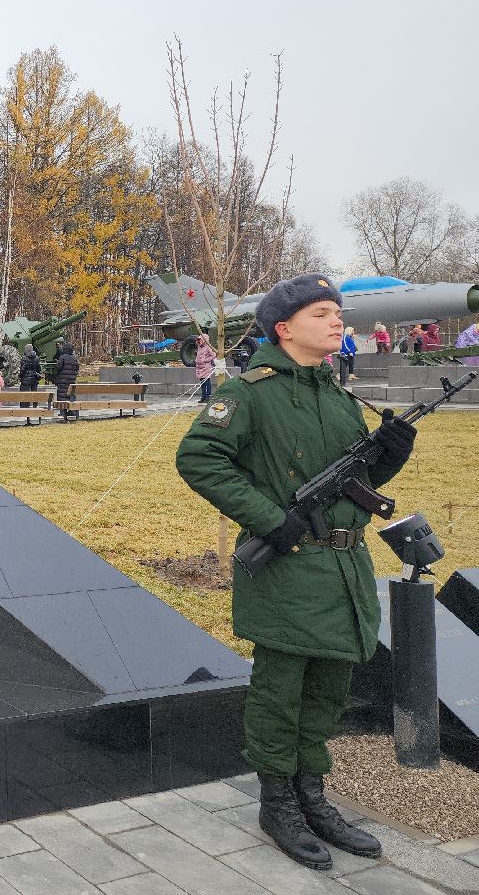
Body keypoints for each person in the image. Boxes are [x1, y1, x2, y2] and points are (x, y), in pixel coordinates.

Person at [176, 273, 416, 871]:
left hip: (343, 565)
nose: (338, 321)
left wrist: (387, 459)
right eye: (322, 314)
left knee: (329, 689)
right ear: (284, 329)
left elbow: (350, 489)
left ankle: (313, 793)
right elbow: (199, 458)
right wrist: (268, 518)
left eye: (338, 312)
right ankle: (277, 801)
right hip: (288, 566)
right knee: (281, 691)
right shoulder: (250, 393)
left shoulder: (336, 394)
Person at [194, 334, 217, 404]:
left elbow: (213, 355)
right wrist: (197, 360)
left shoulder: (208, 347)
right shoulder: (199, 347)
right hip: (200, 367)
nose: (199, 341)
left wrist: (205, 360)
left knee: (207, 382)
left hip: (206, 367)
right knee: (202, 383)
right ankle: (203, 396)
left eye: (200, 339)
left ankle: (208, 396)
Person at [19, 343, 41, 407]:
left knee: (25, 393)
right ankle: (35, 405)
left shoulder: (24, 358)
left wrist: (20, 376)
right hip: (34, 378)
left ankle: (25, 406)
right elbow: (38, 368)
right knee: (34, 393)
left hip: (26, 378)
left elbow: (23, 369)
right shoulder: (36, 358)